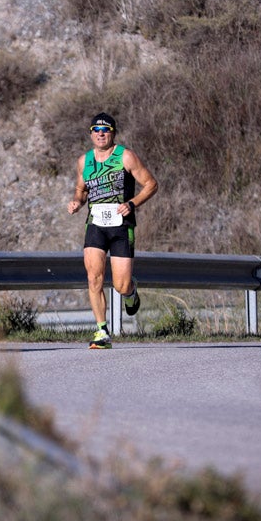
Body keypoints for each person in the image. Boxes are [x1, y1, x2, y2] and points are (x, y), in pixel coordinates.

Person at [67, 111, 158, 349]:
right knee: (93, 277)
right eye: (96, 130)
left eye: (105, 130)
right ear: (91, 134)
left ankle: (131, 292)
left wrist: (132, 204)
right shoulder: (83, 161)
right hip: (95, 224)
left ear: (113, 133)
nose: (100, 134)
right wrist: (77, 201)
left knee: (121, 285)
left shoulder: (125, 156)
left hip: (121, 226)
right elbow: (81, 189)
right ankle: (102, 331)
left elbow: (151, 184)